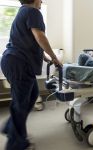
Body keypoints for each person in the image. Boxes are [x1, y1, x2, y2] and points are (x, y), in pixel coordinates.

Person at [0, 0, 62, 149]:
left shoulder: (23, 11)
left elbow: (30, 42)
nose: (41, 1)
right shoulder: (33, 12)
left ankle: (10, 127)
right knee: (20, 103)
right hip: (19, 63)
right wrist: (55, 57)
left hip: (14, 61)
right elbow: (40, 37)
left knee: (32, 95)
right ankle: (16, 144)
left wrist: (46, 58)